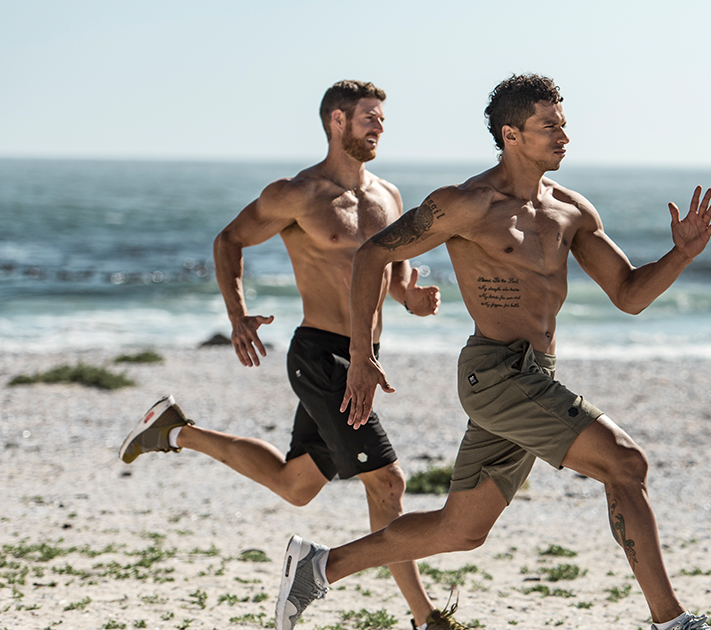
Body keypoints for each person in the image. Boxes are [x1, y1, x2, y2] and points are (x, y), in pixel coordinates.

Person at [274, 74, 711, 630]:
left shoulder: (571, 211)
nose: (563, 135)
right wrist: (363, 356)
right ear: (512, 135)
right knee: (625, 464)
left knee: (459, 530)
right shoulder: (466, 205)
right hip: (497, 371)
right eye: (549, 125)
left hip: (535, 375)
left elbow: (629, 294)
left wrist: (679, 255)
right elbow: (371, 255)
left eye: (563, 123)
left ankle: (318, 568)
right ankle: (670, 620)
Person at [117, 80, 465, 630]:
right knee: (389, 482)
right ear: (336, 121)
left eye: (382, 118)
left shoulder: (390, 197)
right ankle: (424, 617)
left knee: (294, 484)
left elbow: (391, 276)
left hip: (364, 356)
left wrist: (413, 299)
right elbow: (228, 240)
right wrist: (237, 315)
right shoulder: (299, 193)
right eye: (368, 117)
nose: (379, 126)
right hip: (322, 355)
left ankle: (175, 430)